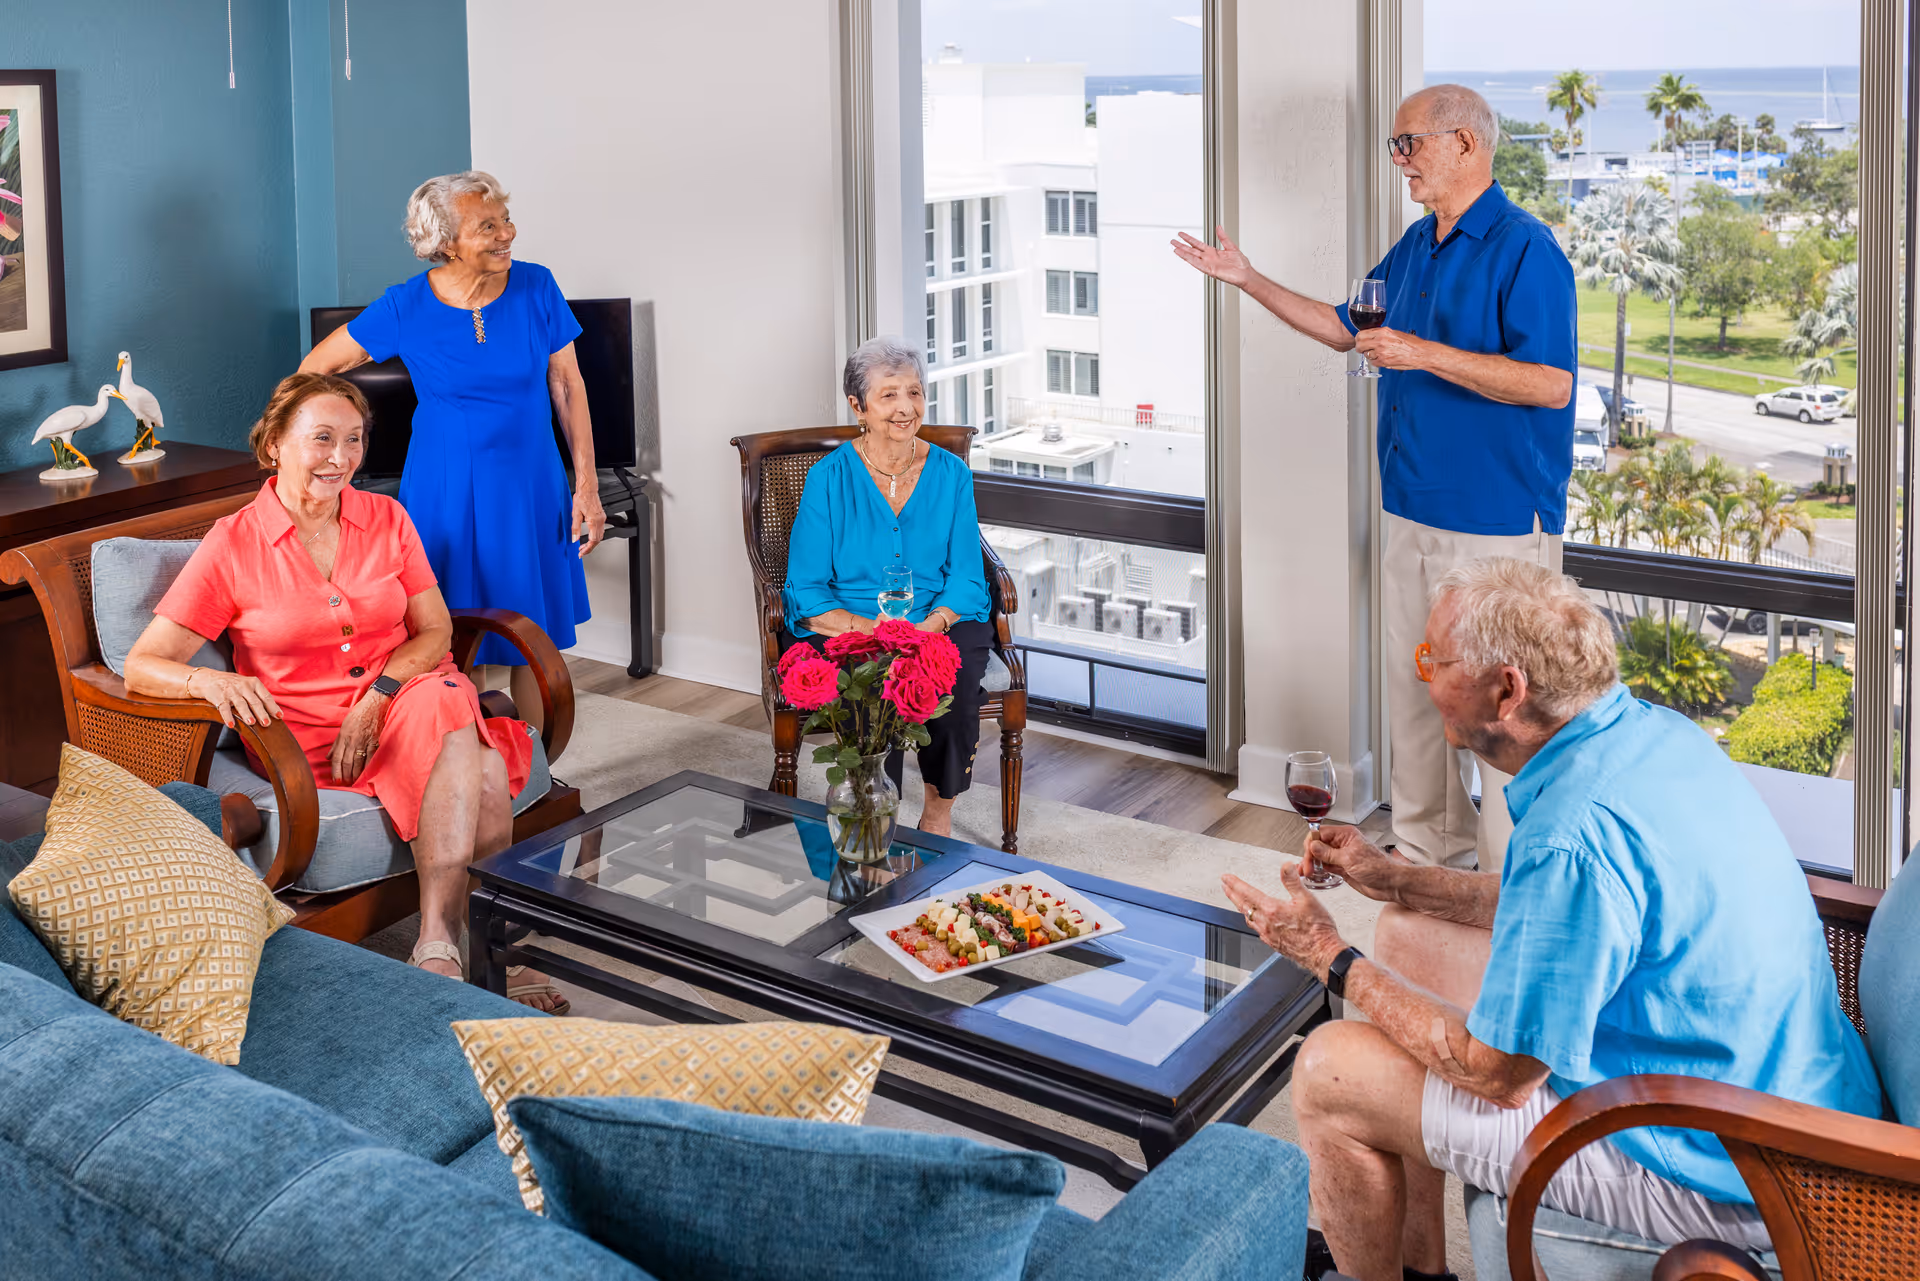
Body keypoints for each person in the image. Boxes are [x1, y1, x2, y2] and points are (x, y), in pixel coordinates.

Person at [1220, 558, 1882, 1281]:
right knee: (1405, 934)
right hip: (1784, 1097)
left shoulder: (1575, 830)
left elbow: (1498, 1075)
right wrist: (1394, 879)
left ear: (1507, 689)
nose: (1422, 677)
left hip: (1734, 1169)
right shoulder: (1652, 736)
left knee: (1326, 1070)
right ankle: (1419, 1269)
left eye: (1431, 660)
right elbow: (1563, 907)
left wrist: (1329, 955)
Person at [1174, 84, 1577, 872]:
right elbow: (1344, 326)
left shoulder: (1527, 249)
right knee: (1419, 692)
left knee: (1503, 710)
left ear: (1465, 143)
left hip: (1497, 523)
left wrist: (1422, 352)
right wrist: (1249, 278)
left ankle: (1508, 880)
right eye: (1396, 147)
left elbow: (1550, 384)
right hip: (1408, 510)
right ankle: (1428, 859)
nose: (1399, 161)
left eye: (1409, 144)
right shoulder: (1418, 244)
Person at [124, 373, 568, 1013]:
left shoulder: (386, 517)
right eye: (323, 439)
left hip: (408, 696)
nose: (342, 457)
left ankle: (437, 941)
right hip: (304, 739)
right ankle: (498, 953)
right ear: (275, 443)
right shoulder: (235, 544)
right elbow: (144, 664)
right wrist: (211, 678)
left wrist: (381, 694)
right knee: (486, 762)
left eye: (355, 440)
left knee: (444, 698)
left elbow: (435, 629)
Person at [299, 170, 602, 730]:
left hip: (531, 489)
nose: (507, 233)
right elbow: (315, 369)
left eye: (506, 219)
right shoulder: (404, 307)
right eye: (488, 225)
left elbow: (566, 385)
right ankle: (476, 772)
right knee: (457, 642)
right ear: (444, 243)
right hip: (444, 495)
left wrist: (586, 485)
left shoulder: (537, 287)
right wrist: (334, 443)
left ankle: (535, 775)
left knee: (533, 648)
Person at [781, 336, 993, 837]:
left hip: (939, 616)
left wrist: (931, 625)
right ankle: (873, 813)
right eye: (889, 395)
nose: (906, 408)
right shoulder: (827, 479)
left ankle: (937, 816)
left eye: (915, 393)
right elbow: (805, 587)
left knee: (955, 682)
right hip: (849, 619)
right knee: (870, 689)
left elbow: (966, 574)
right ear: (858, 406)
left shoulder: (952, 474)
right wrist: (869, 629)